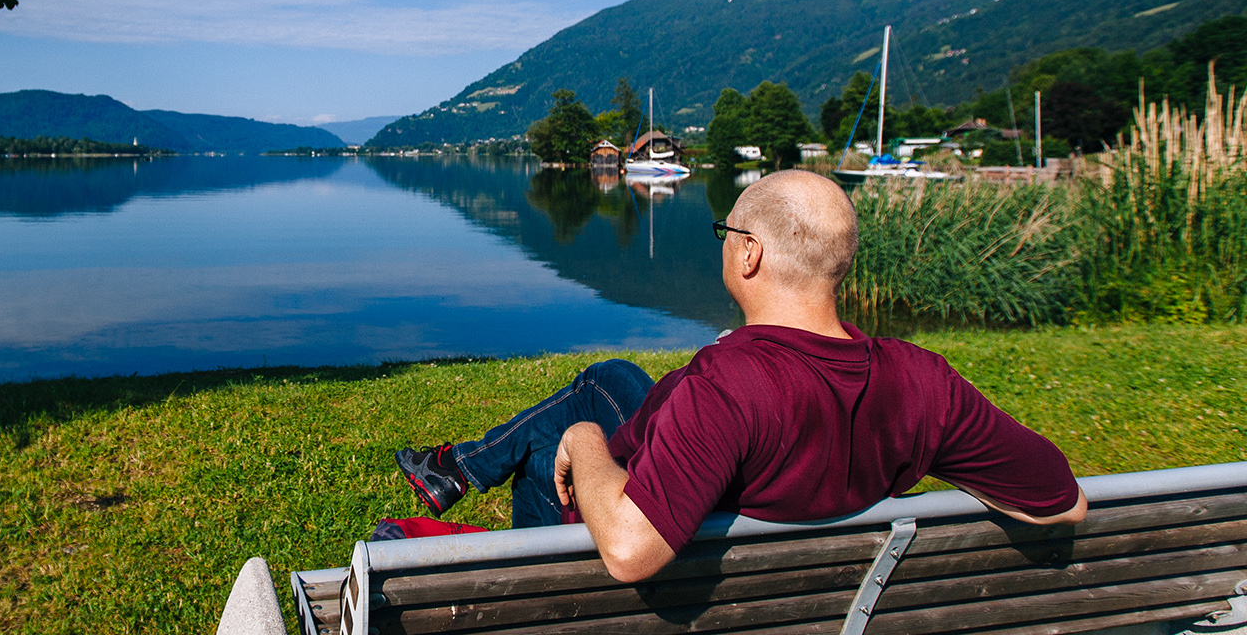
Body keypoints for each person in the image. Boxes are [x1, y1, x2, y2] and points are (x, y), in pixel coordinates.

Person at [395, 169, 1087, 582]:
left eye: (727, 233)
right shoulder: (924, 382)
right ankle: (455, 468)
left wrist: (582, 441)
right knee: (613, 376)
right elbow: (1062, 503)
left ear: (749, 254)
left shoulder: (729, 385)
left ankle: (503, 552)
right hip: (808, 558)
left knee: (554, 447)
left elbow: (633, 552)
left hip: (646, 550)